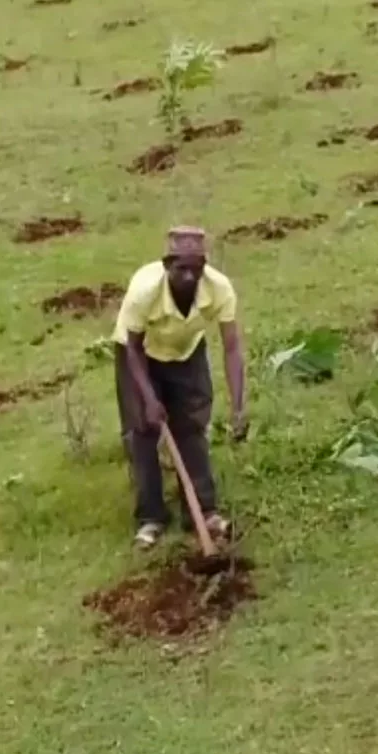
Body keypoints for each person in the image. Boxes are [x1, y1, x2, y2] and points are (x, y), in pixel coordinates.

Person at [112, 226, 247, 548]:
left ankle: (203, 512)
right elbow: (133, 348)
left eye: (196, 268)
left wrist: (239, 405)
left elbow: (231, 346)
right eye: (180, 268)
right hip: (138, 353)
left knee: (192, 425)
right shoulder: (145, 290)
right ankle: (151, 519)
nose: (189, 276)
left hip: (186, 352)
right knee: (143, 431)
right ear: (166, 265)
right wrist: (148, 398)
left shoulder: (219, 289)